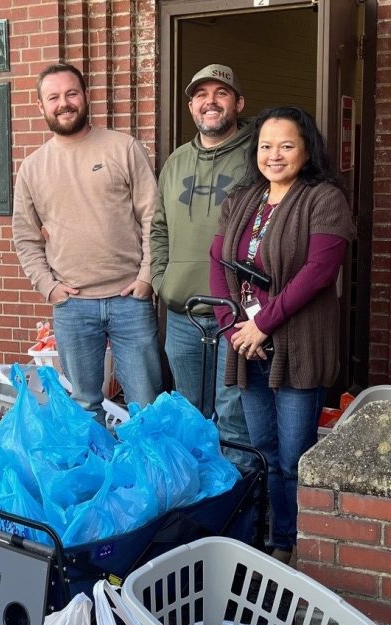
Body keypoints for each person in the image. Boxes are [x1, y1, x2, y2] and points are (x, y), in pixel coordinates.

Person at [209, 106, 355, 561]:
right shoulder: (244, 199)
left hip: (298, 346)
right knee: (263, 452)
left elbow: (317, 273)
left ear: (306, 149)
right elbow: (217, 259)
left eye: (287, 145)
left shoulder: (324, 199)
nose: (275, 155)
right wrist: (233, 326)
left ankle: (294, 545)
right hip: (247, 347)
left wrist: (262, 324)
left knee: (294, 458)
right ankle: (272, 535)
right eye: (267, 146)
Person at [12, 62, 162, 420]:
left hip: (130, 301)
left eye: (71, 93)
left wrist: (146, 277)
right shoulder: (32, 168)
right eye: (54, 97)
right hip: (73, 307)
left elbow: (153, 218)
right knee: (83, 407)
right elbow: (25, 237)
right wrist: (48, 286)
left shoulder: (123, 148)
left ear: (85, 96)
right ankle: (98, 476)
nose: (64, 103)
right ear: (41, 107)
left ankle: (149, 476)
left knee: (146, 405)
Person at [150, 64, 252, 454]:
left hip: (236, 316)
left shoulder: (256, 155)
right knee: (189, 417)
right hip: (182, 314)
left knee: (233, 420)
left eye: (221, 93)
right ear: (191, 105)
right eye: (201, 95)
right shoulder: (175, 161)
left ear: (238, 102)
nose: (210, 101)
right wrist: (163, 281)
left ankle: (235, 509)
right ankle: (198, 503)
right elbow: (158, 227)